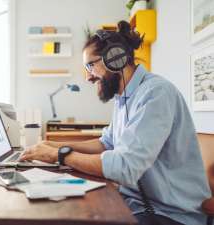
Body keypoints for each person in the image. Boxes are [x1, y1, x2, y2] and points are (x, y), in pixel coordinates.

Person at [20, 20, 211, 225]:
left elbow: (125, 167)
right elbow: (107, 143)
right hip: (135, 203)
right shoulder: (124, 97)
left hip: (170, 215)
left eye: (90, 65)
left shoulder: (156, 94)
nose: (88, 77)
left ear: (115, 58)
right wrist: (54, 146)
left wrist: (59, 155)